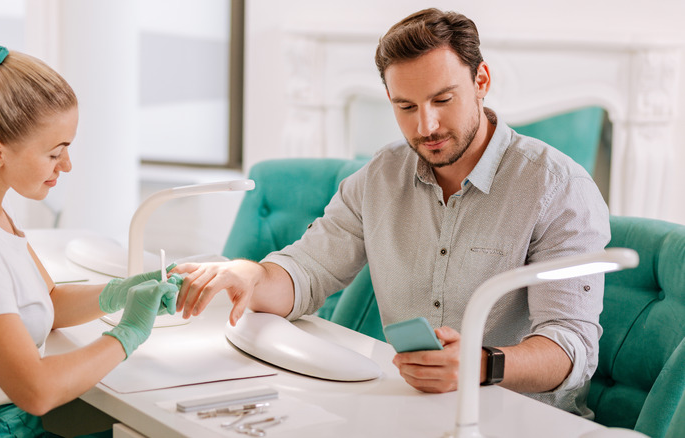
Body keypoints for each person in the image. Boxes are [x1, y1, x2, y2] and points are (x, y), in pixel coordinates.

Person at [169, 8, 610, 418]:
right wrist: (250, 277)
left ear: (481, 81)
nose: (426, 127)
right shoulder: (381, 174)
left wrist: (479, 364)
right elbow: (307, 271)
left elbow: (570, 347)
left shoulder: (558, 188)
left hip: (520, 420)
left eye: (443, 100)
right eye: (406, 107)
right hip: (409, 409)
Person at [0, 39, 181, 437]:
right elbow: (36, 390)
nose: (66, 165)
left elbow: (45, 300)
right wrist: (128, 333)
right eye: (55, 153)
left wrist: (121, 292)